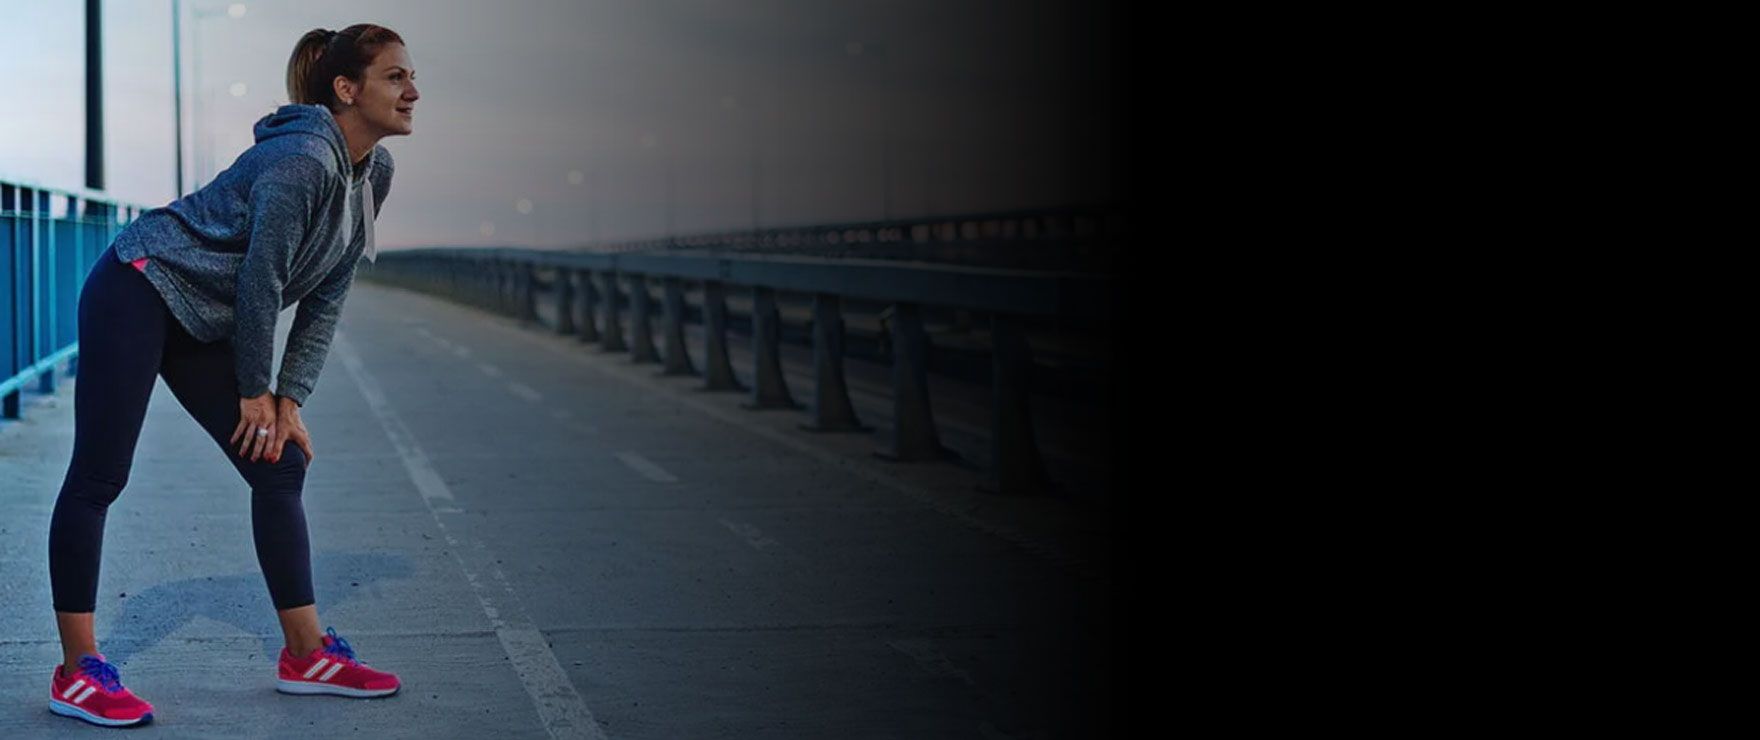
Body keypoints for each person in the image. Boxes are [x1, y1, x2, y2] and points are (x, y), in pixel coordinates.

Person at [45, 23, 420, 728]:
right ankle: (76, 672)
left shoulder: (375, 174)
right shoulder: (304, 160)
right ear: (347, 89)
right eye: (395, 77)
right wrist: (254, 391)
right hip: (140, 284)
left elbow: (329, 290)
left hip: (201, 315)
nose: (412, 90)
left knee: (278, 466)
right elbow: (261, 280)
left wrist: (289, 400)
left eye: (410, 76)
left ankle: (306, 656)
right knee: (100, 475)